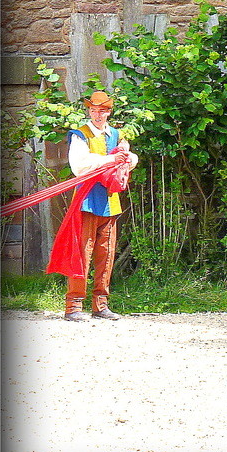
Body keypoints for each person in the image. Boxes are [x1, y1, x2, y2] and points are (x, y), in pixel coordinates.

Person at [63, 91, 138, 321]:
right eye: (94, 110)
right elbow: (80, 166)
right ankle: (74, 307)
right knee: (82, 253)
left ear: (108, 112)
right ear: (89, 111)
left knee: (106, 254)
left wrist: (128, 158)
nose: (97, 114)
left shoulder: (116, 134)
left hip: (109, 201)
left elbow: (131, 159)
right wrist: (110, 160)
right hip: (86, 200)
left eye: (102, 110)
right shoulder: (80, 135)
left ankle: (100, 305)